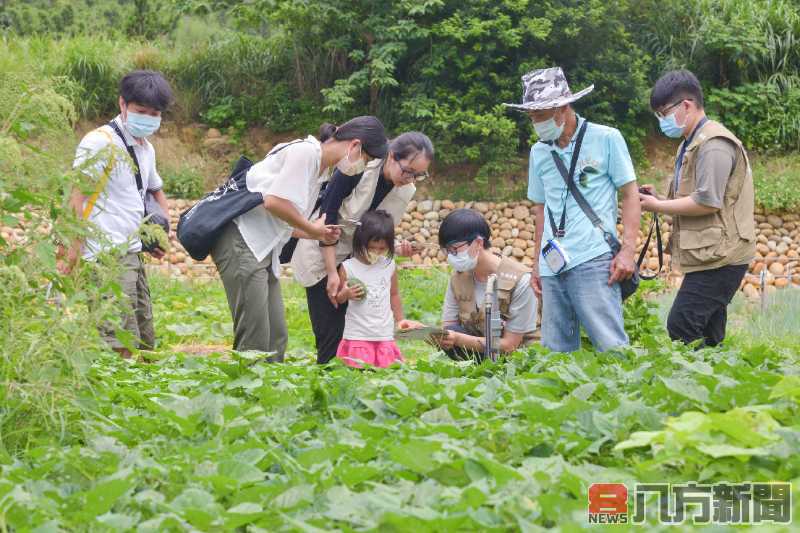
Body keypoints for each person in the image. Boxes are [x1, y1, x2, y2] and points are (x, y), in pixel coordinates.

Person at [211, 116, 388, 361]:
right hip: (242, 240)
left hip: (265, 246)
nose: (361, 167)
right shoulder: (305, 153)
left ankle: (269, 392)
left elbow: (285, 222)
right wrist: (313, 230)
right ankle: (246, 393)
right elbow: (273, 202)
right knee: (255, 336)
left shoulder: (320, 172)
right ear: (355, 146)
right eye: (366, 160)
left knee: (276, 335)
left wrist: (315, 232)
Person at [504, 66, 640, 353]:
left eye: (540, 115)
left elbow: (630, 195)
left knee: (610, 345)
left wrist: (627, 251)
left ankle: (625, 395)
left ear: (562, 108)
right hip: (553, 264)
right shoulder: (539, 152)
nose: (536, 123)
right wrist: (537, 265)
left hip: (593, 258)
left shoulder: (606, 138)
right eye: (532, 117)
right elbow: (541, 210)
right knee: (557, 351)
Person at [291, 132, 434, 364]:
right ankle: (329, 386)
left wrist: (395, 247)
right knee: (329, 333)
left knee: (356, 331)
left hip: (361, 262)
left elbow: (376, 233)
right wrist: (330, 272)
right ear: (391, 156)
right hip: (323, 253)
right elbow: (330, 216)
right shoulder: (359, 166)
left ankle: (356, 387)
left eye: (418, 175)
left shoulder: (405, 190)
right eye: (407, 171)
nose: (410, 179)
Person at [59, 70, 174, 357]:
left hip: (132, 251)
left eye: (154, 113)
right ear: (122, 104)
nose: (147, 118)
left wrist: (161, 234)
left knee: (145, 338)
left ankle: (138, 397)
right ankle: (114, 395)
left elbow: (155, 191)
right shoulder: (100, 142)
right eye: (140, 111)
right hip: (105, 253)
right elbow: (77, 195)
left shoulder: (146, 148)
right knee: (117, 340)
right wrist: (73, 249)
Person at [640, 69, 755, 347]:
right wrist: (659, 199)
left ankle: (690, 384)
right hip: (711, 253)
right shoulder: (690, 143)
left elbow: (707, 200)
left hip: (722, 256)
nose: (661, 121)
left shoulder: (713, 144)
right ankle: (721, 384)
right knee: (710, 335)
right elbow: (690, 194)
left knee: (681, 324)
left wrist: (659, 205)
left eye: (663, 113)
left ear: (686, 105)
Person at [430, 208, 539, 360]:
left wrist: (458, 339)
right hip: (479, 353)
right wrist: (426, 332)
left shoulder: (521, 280)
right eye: (446, 251)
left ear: (478, 243)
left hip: (517, 359)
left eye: (454, 249)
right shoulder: (457, 278)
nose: (450, 256)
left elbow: (510, 345)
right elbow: (449, 329)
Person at [334, 210, 421, 368]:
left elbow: (394, 294)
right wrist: (346, 294)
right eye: (372, 247)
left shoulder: (388, 265)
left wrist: (400, 319)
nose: (377, 252)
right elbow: (338, 298)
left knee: (385, 377)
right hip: (358, 335)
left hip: (383, 334)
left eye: (382, 249)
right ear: (361, 242)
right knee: (360, 376)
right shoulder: (348, 267)